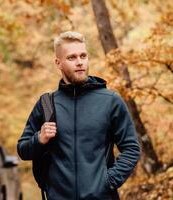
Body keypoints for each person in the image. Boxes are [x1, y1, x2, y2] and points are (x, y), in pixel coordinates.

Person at [17, 31, 141, 200]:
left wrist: (108, 181)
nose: (80, 62)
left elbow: (132, 148)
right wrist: (39, 138)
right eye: (72, 58)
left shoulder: (110, 101)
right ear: (58, 63)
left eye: (83, 56)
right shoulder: (47, 104)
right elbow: (23, 150)